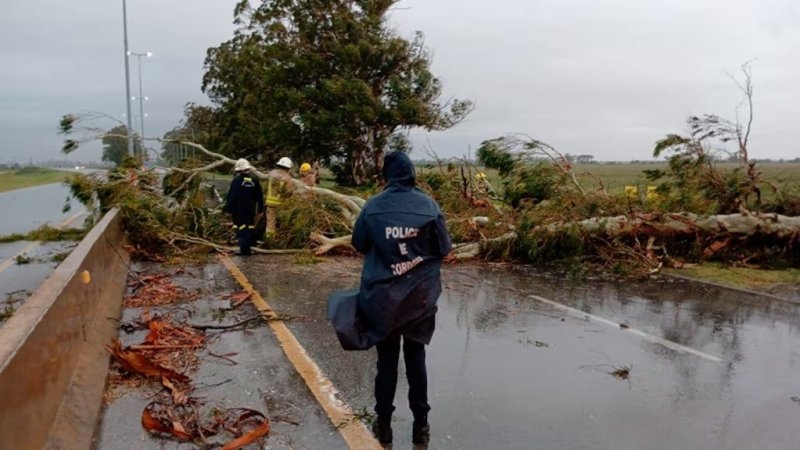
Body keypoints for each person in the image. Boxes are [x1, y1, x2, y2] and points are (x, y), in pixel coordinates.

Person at [349, 151, 452, 446]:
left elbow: (359, 243)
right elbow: (444, 248)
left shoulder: (373, 206)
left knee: (387, 362)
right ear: (412, 174)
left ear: (387, 175)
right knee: (416, 359)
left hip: (384, 299)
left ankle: (383, 426)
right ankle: (421, 426)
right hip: (419, 298)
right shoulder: (429, 205)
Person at [225, 158, 264, 256]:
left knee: (241, 228)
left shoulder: (236, 181)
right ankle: (251, 245)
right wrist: (260, 209)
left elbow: (231, 196)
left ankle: (245, 250)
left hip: (238, 210)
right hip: (251, 209)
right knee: (250, 226)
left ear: (238, 170)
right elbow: (260, 196)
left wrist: (228, 209)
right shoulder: (255, 181)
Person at [265, 156, 293, 237]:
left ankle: (269, 239)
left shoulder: (272, 173)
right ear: (288, 168)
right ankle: (282, 238)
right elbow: (289, 192)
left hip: (270, 203)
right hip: (281, 205)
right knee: (283, 223)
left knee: (270, 224)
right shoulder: (288, 178)